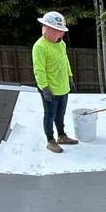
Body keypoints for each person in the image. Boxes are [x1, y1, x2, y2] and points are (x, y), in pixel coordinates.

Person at [32, 11, 78, 154]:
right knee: (50, 114)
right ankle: (50, 140)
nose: (60, 34)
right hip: (50, 89)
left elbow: (65, 62)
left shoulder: (61, 44)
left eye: (61, 31)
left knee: (60, 114)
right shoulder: (40, 47)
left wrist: (70, 77)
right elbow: (38, 70)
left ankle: (62, 136)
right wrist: (44, 87)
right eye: (58, 31)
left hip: (63, 87)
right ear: (47, 29)